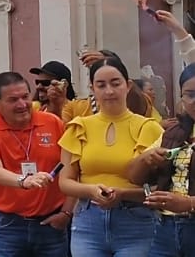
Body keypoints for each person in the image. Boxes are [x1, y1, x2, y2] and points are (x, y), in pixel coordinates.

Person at [58, 56, 162, 256]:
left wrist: (123, 194)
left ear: (128, 85)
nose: (109, 91)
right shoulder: (79, 127)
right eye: (101, 85)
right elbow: (65, 182)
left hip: (136, 221)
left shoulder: (149, 128)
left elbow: (160, 186)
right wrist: (91, 190)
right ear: (92, 89)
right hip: (88, 222)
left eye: (115, 83)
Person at [0, 71, 72, 257]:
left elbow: (71, 168)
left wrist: (66, 213)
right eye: (13, 100)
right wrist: (24, 181)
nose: (22, 104)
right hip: (8, 225)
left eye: (25, 97)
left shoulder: (52, 122)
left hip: (51, 223)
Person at [127, 63, 195, 256]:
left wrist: (189, 204)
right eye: (190, 95)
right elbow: (134, 177)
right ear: (181, 97)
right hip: (164, 229)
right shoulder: (173, 132)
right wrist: (146, 159)